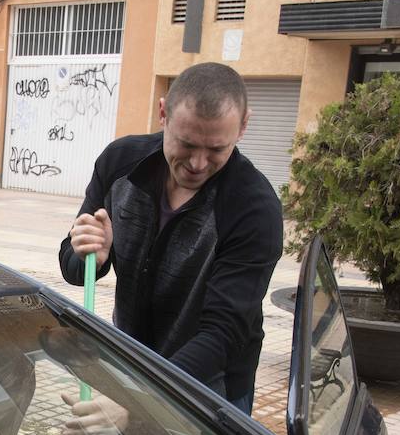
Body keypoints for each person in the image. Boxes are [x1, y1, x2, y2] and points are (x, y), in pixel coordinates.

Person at [58, 61, 282, 416]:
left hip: (208, 387)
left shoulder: (253, 209)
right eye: (186, 143)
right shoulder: (120, 164)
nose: (197, 163)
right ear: (163, 113)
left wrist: (141, 401)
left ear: (243, 126)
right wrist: (89, 254)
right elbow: (72, 266)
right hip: (131, 368)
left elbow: (223, 333)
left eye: (216, 150)